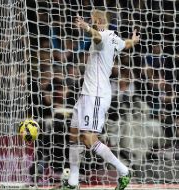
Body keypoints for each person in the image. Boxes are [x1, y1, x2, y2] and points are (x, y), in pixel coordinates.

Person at [63, 9, 140, 190]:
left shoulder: (103, 36)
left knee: (88, 139)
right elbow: (126, 44)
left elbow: (96, 37)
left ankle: (123, 171)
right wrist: (134, 41)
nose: (91, 20)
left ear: (97, 20)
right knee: (74, 134)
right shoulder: (115, 38)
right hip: (86, 94)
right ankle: (73, 181)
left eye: (92, 19)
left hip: (96, 95)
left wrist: (86, 27)